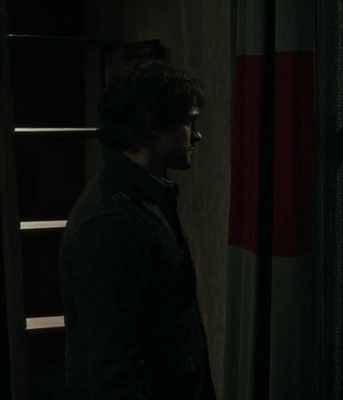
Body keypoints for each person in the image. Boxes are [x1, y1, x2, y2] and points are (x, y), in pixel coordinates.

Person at [59, 59, 215, 399]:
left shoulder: (146, 199)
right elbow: (115, 367)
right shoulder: (110, 222)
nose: (197, 134)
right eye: (189, 122)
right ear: (153, 124)